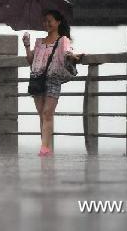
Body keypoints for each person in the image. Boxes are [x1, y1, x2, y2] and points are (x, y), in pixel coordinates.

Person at [22, 10, 82, 157]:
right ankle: (46, 145)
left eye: (50, 21)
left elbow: (68, 52)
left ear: (58, 22)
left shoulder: (63, 40)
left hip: (53, 78)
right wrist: (27, 46)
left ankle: (44, 148)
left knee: (48, 113)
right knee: (41, 114)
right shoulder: (39, 42)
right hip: (37, 78)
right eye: (45, 21)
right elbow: (31, 60)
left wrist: (74, 56)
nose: (47, 23)